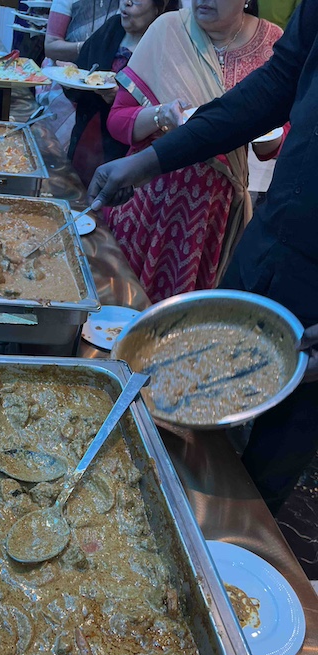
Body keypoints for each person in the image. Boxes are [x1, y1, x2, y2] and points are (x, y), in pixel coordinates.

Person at [87, 0, 318, 528]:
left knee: (260, 482)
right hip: (269, 244)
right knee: (189, 419)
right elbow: (271, 89)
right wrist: (149, 161)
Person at [102, 0, 283, 304]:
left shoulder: (272, 43)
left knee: (185, 316)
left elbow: (274, 143)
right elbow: (118, 120)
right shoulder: (169, 29)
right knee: (123, 310)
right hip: (149, 203)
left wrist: (264, 135)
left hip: (214, 216)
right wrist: (160, 115)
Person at [65, 0, 176, 187]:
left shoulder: (165, 47)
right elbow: (82, 76)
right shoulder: (112, 28)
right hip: (86, 140)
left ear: (158, 8)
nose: (126, 2)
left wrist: (120, 100)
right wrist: (70, 75)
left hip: (128, 157)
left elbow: (165, 109)